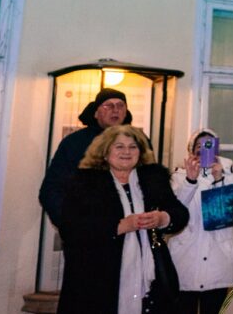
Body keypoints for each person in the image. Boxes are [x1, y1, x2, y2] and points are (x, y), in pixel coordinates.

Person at [57, 125, 190, 314]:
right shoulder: (84, 183)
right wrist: (119, 226)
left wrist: (162, 218)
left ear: (141, 152)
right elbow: (70, 229)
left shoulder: (153, 179)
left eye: (133, 147)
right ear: (105, 152)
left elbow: (180, 213)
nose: (126, 152)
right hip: (96, 277)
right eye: (119, 146)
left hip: (151, 279)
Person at [167, 128, 233, 314]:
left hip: (217, 263)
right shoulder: (177, 177)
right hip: (185, 261)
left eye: (209, 146)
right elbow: (175, 213)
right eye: (198, 146)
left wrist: (219, 179)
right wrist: (190, 180)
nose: (203, 151)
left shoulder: (231, 176)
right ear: (190, 150)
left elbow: (231, 212)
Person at [40, 88, 132, 227]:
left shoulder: (137, 142)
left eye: (120, 105)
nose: (115, 110)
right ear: (96, 112)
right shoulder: (75, 142)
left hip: (129, 230)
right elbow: (52, 188)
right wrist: (70, 223)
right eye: (108, 105)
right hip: (86, 230)